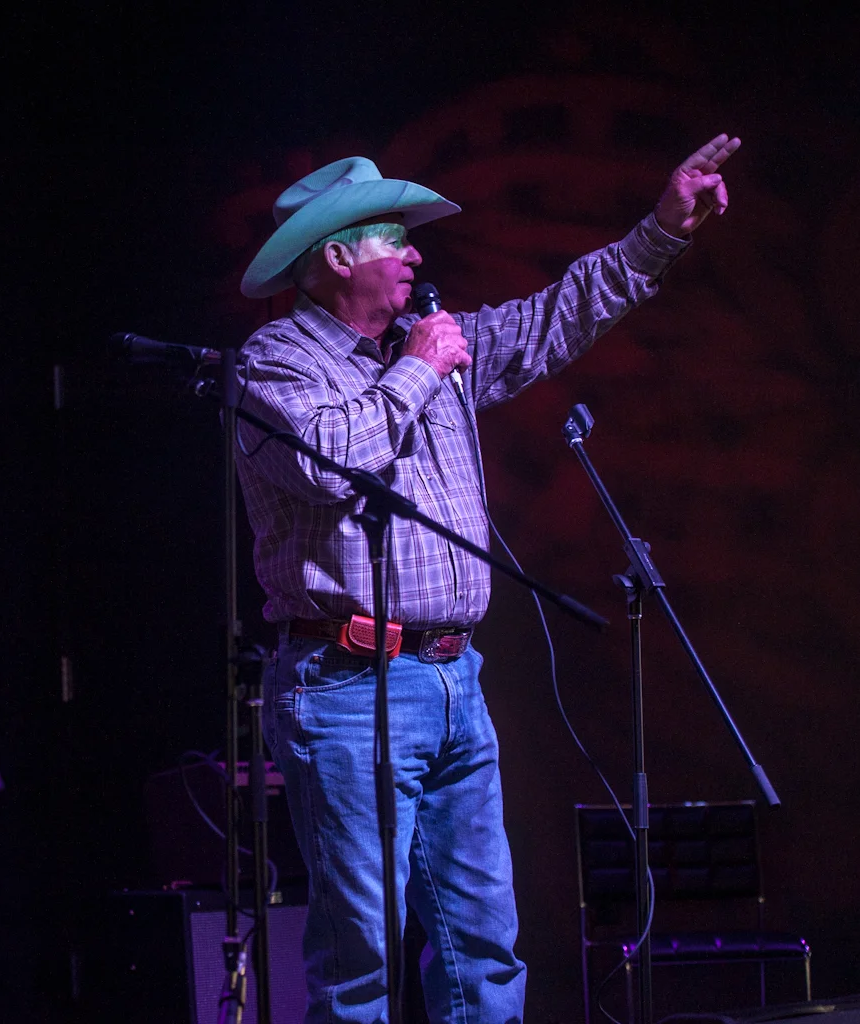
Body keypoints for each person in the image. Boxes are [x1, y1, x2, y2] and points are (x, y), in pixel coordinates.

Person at [234, 135, 740, 1021]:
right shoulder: (275, 364)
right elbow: (326, 463)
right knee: (360, 952)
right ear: (339, 256)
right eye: (397, 238)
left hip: (453, 677)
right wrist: (421, 369)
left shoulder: (428, 346)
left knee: (482, 944)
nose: (417, 254)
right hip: (348, 685)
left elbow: (559, 314)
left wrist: (662, 230)